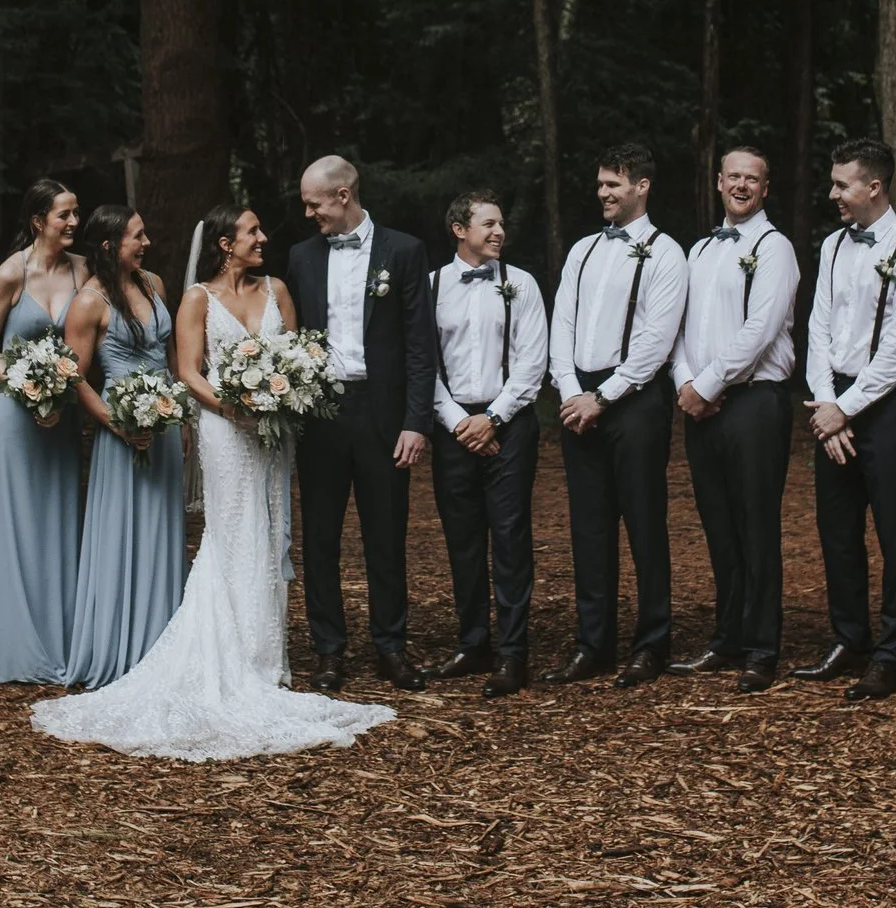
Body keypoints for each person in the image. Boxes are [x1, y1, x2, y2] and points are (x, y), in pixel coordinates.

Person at [30, 205, 395, 760]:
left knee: (272, 534)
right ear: (225, 244)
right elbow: (188, 369)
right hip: (225, 429)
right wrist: (232, 406)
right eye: (252, 231)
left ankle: (267, 660)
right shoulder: (196, 297)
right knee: (232, 534)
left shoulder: (275, 289)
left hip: (274, 431)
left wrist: (284, 394)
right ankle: (233, 656)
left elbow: (298, 353)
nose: (263, 237)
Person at [289, 155, 441, 692]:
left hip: (383, 415)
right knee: (320, 537)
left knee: (386, 535)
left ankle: (390, 647)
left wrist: (416, 421)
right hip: (321, 414)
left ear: (343, 195)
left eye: (314, 203)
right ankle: (328, 650)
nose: (309, 214)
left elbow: (421, 343)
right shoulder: (302, 257)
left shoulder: (403, 251)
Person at [795, 137, 896, 701]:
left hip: (890, 406)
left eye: (841, 185)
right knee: (837, 529)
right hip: (833, 401)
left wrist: (844, 410)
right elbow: (818, 327)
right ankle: (850, 638)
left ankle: (893, 655)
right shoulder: (833, 244)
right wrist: (825, 402)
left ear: (874, 187)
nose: (832, 194)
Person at [546, 143, 688, 690]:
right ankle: (593, 644)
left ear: (641, 186)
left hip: (635, 402)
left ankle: (651, 644)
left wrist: (601, 397)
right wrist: (570, 391)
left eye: (614, 184)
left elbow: (656, 341)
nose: (603, 192)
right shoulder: (583, 250)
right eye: (601, 183)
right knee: (589, 527)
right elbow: (562, 323)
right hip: (577, 399)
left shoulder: (665, 253)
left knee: (644, 523)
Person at [670, 146, 800, 693]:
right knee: (719, 526)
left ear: (765, 189)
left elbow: (761, 330)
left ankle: (762, 648)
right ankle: (727, 638)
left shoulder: (775, 249)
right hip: (700, 405)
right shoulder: (700, 249)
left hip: (754, 402)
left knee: (756, 526)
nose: (742, 186)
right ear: (718, 182)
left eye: (753, 179)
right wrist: (685, 382)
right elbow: (678, 326)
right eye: (734, 177)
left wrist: (708, 385)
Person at [0, 180, 88, 685]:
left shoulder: (83, 271)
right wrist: (24, 386)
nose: (74, 222)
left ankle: (60, 639)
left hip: (63, 414)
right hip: (13, 411)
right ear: (38, 222)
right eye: (64, 215)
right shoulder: (12, 271)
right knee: (13, 521)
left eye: (75, 213)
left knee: (58, 518)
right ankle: (9, 643)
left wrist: (61, 392)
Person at [422, 190, 547, 698]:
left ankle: (513, 652)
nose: (499, 232)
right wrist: (460, 423)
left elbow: (532, 362)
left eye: (501, 224)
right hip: (452, 427)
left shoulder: (522, 284)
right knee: (463, 538)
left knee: (511, 538)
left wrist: (492, 419)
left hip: (509, 424)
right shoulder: (430, 286)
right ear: (459, 230)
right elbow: (422, 364)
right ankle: (473, 643)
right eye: (488, 224)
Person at [59, 205, 186, 686]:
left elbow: (168, 353)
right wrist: (117, 425)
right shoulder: (89, 302)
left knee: (163, 528)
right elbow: (75, 378)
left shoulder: (153, 283)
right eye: (138, 236)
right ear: (110, 245)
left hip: (164, 424)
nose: (146, 242)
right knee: (123, 531)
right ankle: (119, 646)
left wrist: (180, 414)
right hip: (123, 429)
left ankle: (164, 641)